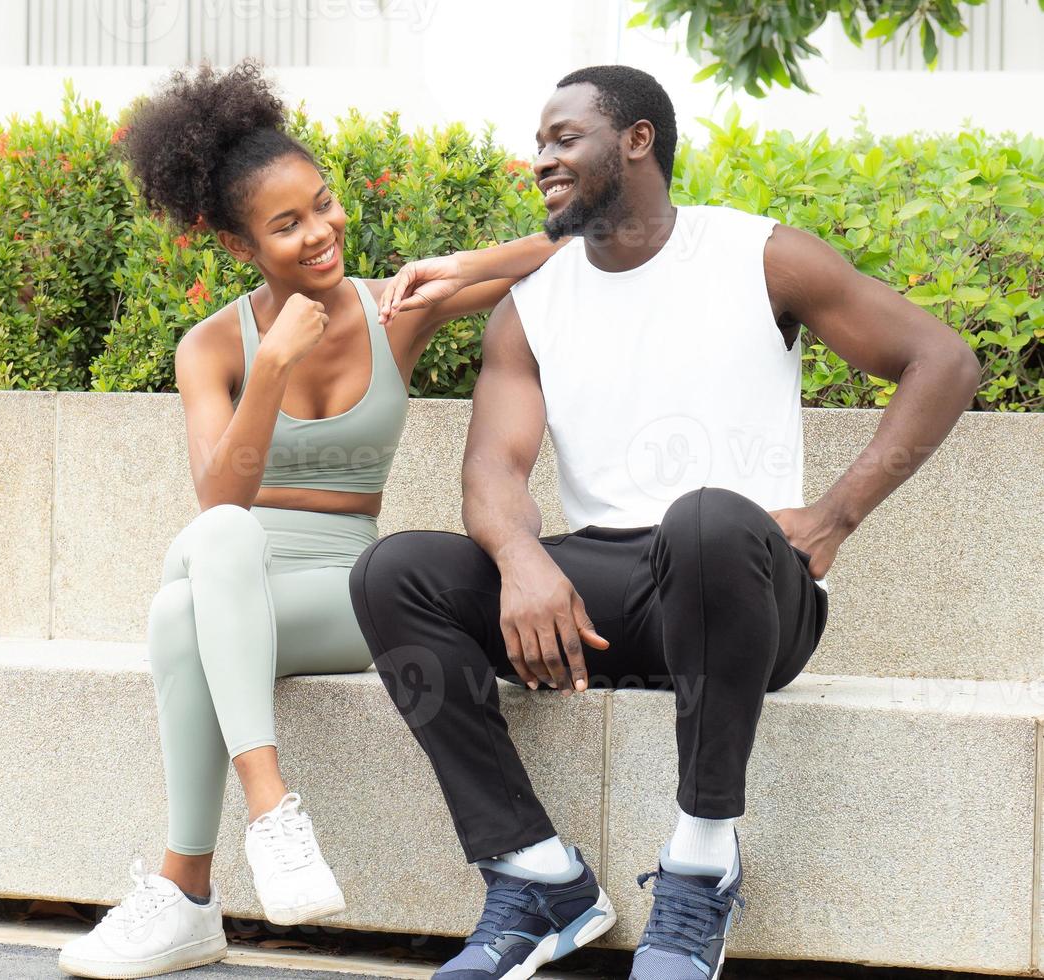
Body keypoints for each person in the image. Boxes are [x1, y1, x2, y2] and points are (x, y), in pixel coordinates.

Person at [351, 64, 980, 980]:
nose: (542, 160)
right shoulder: (532, 305)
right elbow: (492, 467)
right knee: (393, 571)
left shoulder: (760, 256)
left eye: (564, 137)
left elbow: (943, 361)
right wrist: (521, 557)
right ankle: (534, 878)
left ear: (637, 139)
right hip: (605, 600)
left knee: (705, 521)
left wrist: (835, 516)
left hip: (747, 595)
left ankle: (699, 865)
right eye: (538, 144)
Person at [57, 60, 570, 979]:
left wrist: (459, 267)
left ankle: (186, 891)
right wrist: (269, 373)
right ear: (237, 243)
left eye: (323, 205)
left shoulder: (391, 308)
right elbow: (221, 499)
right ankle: (269, 813)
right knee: (214, 550)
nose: (321, 232)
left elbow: (554, 250)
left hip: (348, 593)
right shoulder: (212, 346)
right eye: (285, 225)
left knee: (180, 612)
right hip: (239, 577)